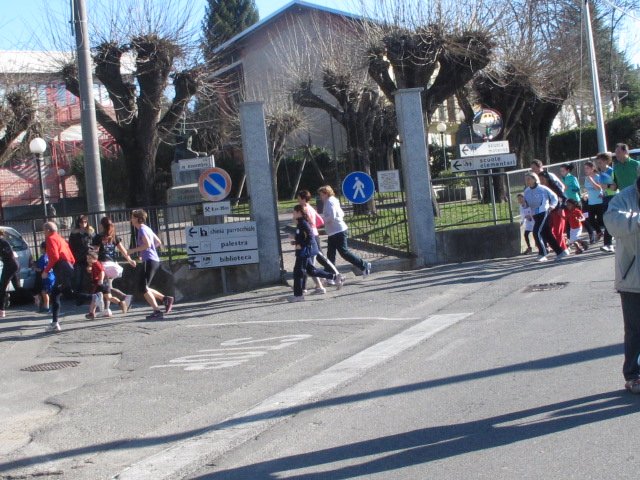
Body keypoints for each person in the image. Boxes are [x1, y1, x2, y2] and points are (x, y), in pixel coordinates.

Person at [603, 176, 640, 393]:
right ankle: (633, 375)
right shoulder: (623, 199)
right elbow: (612, 223)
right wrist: (637, 221)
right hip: (633, 277)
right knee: (635, 330)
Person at [289, 205, 344, 302]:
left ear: (299, 213)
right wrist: (296, 242)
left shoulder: (303, 223)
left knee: (298, 272)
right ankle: (335, 277)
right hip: (304, 251)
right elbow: (303, 237)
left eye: (294, 211)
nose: (293, 213)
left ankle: (298, 295)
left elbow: (310, 236)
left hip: (304, 252)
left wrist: (301, 245)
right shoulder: (300, 223)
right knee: (312, 271)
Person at [127, 209, 174, 319]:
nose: (131, 219)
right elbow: (158, 242)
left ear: (138, 219)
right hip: (153, 260)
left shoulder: (142, 230)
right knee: (143, 287)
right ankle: (165, 299)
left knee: (143, 288)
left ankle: (157, 310)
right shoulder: (147, 228)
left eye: (132, 217)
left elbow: (147, 244)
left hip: (149, 261)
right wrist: (144, 252)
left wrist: (133, 251)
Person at [317, 185, 372, 276]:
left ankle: (364, 265)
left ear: (326, 193)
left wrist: (322, 220)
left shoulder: (329, 202)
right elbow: (341, 213)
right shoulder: (333, 200)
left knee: (344, 252)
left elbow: (332, 216)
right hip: (334, 231)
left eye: (322, 194)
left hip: (338, 231)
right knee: (331, 254)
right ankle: (330, 274)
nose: (321, 197)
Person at [296, 189, 340, 293]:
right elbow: (320, 221)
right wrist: (314, 227)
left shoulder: (304, 209)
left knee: (309, 264)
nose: (298, 200)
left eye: (298, 198)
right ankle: (310, 286)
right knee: (310, 263)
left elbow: (307, 223)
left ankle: (333, 278)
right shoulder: (310, 208)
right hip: (314, 235)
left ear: (303, 199)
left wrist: (309, 228)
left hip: (309, 237)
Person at [92, 216, 135, 313]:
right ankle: (107, 309)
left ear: (101, 225)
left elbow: (95, 252)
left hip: (102, 265)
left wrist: (91, 263)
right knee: (108, 287)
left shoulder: (98, 237)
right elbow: (123, 250)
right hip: (112, 265)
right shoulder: (113, 236)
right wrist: (130, 260)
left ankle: (124, 298)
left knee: (105, 288)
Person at [522, 172, 569, 262]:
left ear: (535, 179)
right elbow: (527, 204)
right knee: (546, 234)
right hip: (535, 215)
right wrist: (525, 206)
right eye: (526, 179)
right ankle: (560, 252)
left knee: (536, 232)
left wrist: (552, 206)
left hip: (544, 212)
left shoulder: (543, 188)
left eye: (529, 179)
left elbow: (554, 197)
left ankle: (542, 254)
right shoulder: (526, 191)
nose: (527, 181)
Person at [42, 222, 76, 332]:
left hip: (61, 268)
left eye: (44, 230)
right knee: (60, 293)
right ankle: (55, 323)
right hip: (67, 266)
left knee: (60, 294)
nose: (43, 232)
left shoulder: (50, 239)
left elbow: (55, 257)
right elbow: (71, 257)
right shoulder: (60, 238)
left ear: (48, 230)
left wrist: (46, 271)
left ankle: (94, 297)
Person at [539, 171, 568, 252]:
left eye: (542, 179)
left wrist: (561, 208)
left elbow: (564, 198)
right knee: (548, 231)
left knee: (558, 231)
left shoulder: (554, 186)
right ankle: (558, 248)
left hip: (557, 211)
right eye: (540, 179)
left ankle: (563, 249)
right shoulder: (541, 189)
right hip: (548, 212)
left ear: (547, 178)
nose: (541, 181)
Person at [68, 215, 94, 300]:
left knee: (90, 277)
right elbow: (71, 246)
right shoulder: (74, 233)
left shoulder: (90, 232)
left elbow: (93, 244)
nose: (84, 224)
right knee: (78, 278)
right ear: (78, 223)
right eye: (82, 222)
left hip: (88, 257)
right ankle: (78, 297)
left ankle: (91, 296)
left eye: (85, 222)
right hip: (78, 258)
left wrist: (91, 254)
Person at [596, 152, 618, 252]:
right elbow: (603, 187)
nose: (598, 164)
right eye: (598, 162)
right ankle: (608, 244)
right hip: (605, 198)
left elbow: (615, 187)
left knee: (613, 221)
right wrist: (602, 192)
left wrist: (607, 187)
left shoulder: (612, 171)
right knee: (607, 221)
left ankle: (609, 243)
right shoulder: (601, 173)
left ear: (606, 161)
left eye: (600, 162)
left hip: (614, 198)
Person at [583, 160, 605, 244]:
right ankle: (599, 232)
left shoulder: (597, 177)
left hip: (599, 202)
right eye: (585, 168)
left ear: (592, 168)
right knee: (590, 219)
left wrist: (591, 180)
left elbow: (599, 188)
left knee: (600, 220)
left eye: (587, 168)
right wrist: (585, 195)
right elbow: (587, 189)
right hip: (591, 202)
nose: (585, 170)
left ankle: (610, 232)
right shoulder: (586, 178)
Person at [0, 228, 20, 318]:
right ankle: (35, 296)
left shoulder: (3, 242)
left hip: (10, 266)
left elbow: (8, 254)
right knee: (17, 287)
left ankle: (2, 310)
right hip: (10, 265)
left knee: (2, 287)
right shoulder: (3, 242)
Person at [32, 242, 54, 313]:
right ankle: (45, 306)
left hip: (45, 277)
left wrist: (34, 268)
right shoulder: (49, 256)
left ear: (43, 249)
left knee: (44, 292)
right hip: (51, 276)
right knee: (45, 292)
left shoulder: (43, 258)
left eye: (40, 248)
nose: (40, 250)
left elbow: (40, 269)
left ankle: (46, 307)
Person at [85, 250, 108, 319]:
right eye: (87, 258)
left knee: (95, 298)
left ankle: (93, 313)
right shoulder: (94, 264)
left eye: (89, 258)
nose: (88, 260)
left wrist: (101, 279)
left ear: (94, 258)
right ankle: (92, 313)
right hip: (97, 283)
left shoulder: (96, 263)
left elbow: (102, 271)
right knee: (95, 298)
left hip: (98, 283)